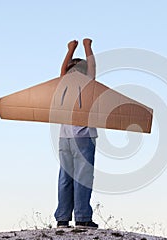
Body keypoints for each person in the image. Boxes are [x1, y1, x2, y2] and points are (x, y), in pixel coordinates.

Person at [54, 38, 98, 228]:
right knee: (83, 176)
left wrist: (70, 49)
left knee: (65, 177)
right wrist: (88, 46)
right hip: (83, 137)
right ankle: (82, 218)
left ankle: (62, 219)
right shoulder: (87, 84)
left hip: (65, 138)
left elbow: (63, 70)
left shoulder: (63, 84)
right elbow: (93, 68)